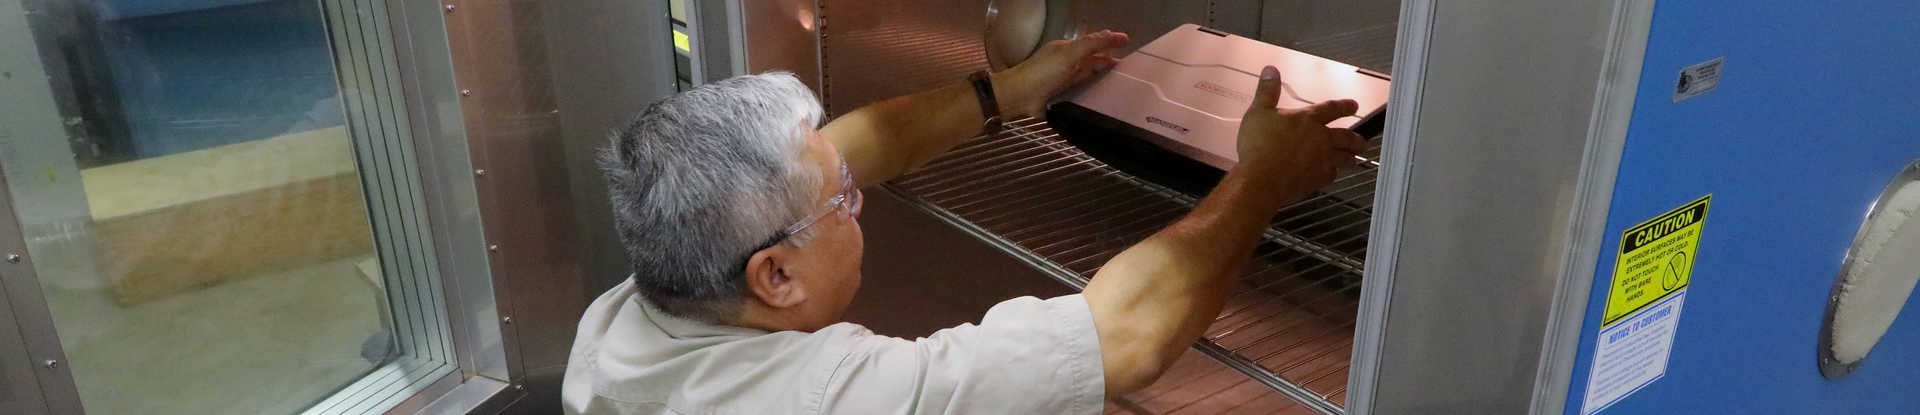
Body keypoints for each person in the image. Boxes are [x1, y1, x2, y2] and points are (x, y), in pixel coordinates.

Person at [563, 29, 1368, 414]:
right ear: (775, 276)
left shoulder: (636, 308)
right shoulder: (832, 399)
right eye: (841, 201)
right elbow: (1126, 334)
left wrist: (1000, 94)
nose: (859, 197)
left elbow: (851, 149)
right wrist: (1263, 178)